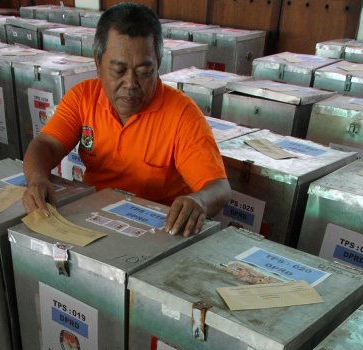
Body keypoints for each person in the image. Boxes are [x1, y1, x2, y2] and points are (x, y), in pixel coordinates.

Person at [21, 3, 230, 236]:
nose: (131, 84)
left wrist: (199, 201)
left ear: (158, 65)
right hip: (94, 218)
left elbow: (218, 187)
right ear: (98, 64)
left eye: (143, 71)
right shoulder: (83, 97)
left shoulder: (182, 114)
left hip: (158, 231)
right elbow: (46, 145)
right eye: (118, 70)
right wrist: (37, 179)